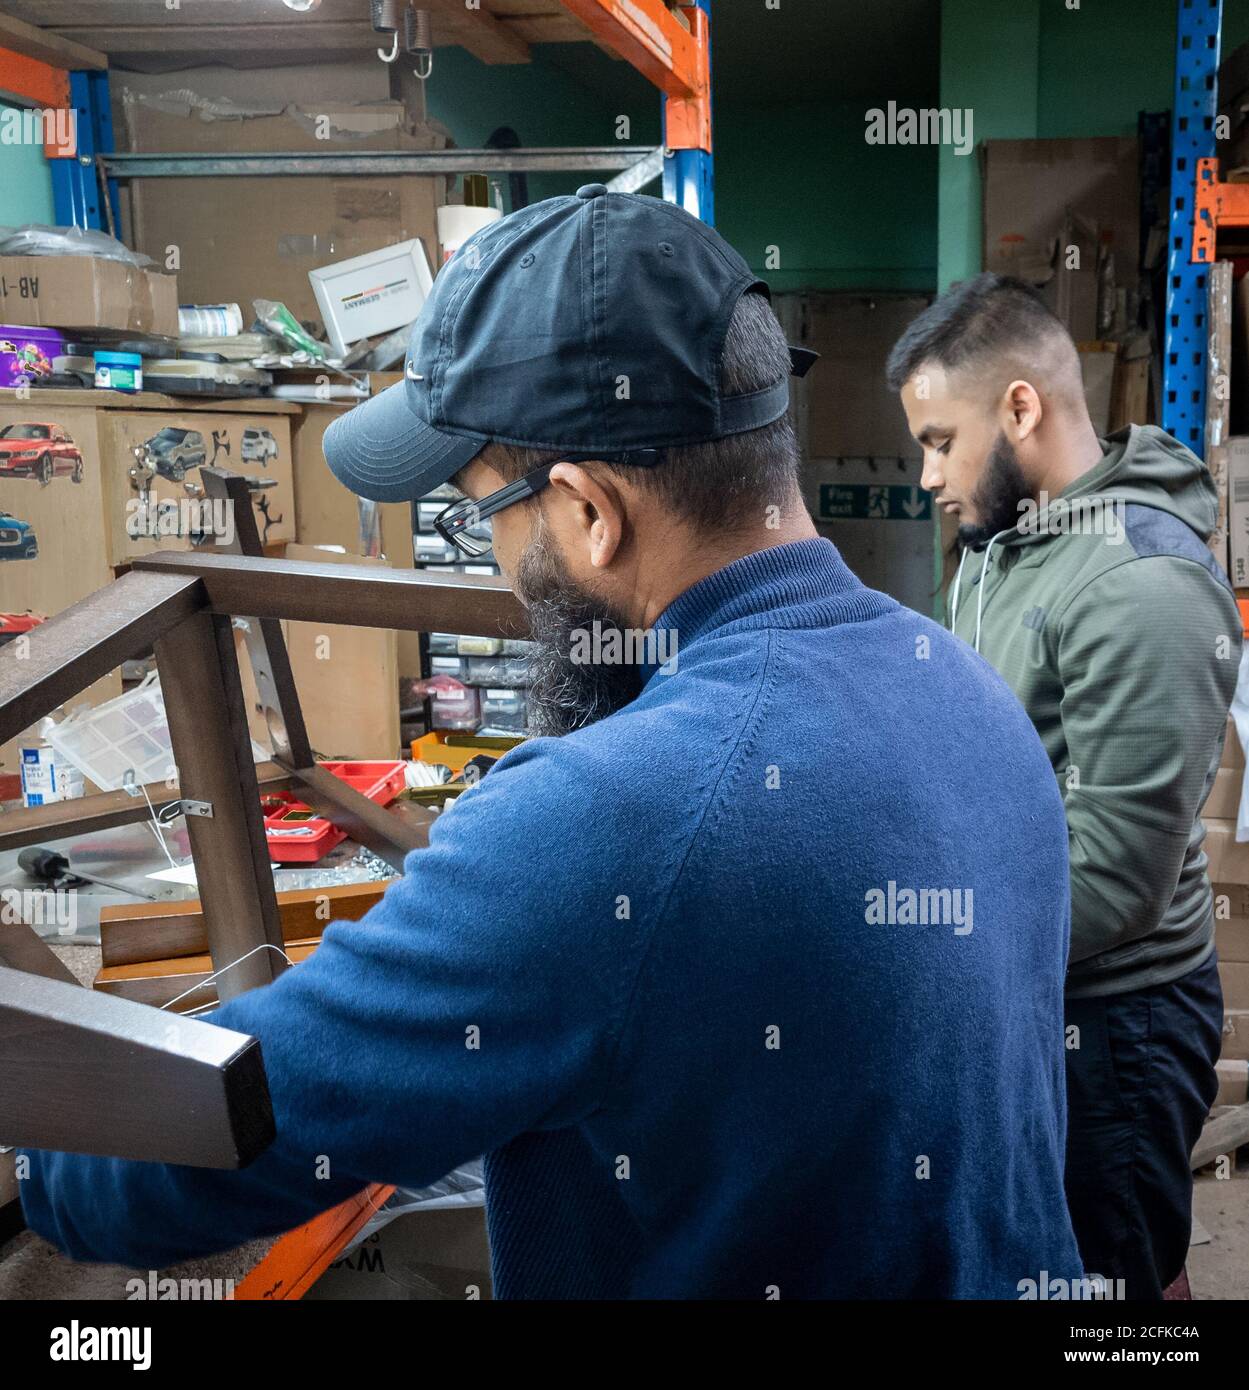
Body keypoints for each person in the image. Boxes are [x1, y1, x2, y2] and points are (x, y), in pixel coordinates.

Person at [19, 191, 1080, 1300]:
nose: (491, 561)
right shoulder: (963, 684)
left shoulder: (602, 823)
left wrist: (42, 1154)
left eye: (487, 511)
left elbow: (198, 1145)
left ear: (587, 512)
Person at [888, 272, 1240, 1300]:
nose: (923, 474)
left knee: (1120, 1281)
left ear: (1021, 409)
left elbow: (1116, 878)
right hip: (1035, 984)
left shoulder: (1137, 585)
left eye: (940, 441)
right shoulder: (1003, 548)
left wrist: (923, 927)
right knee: (1078, 1268)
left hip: (1115, 1026)